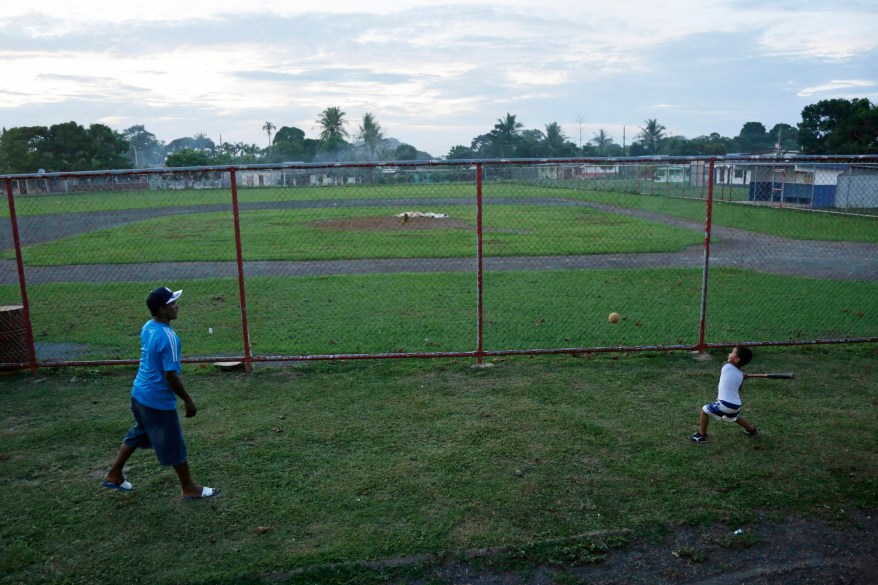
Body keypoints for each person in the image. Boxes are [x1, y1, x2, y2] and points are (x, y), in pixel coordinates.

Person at [101, 286, 217, 499]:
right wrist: (188, 401)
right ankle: (189, 488)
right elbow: (170, 375)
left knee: (139, 433)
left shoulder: (148, 327)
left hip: (139, 395)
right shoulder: (169, 337)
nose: (177, 306)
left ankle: (114, 474)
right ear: (162, 309)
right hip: (156, 401)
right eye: (173, 304)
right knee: (174, 444)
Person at [690, 345, 759, 443]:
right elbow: (738, 389)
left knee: (704, 411)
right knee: (733, 417)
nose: (729, 354)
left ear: (737, 359)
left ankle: (702, 436)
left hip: (726, 404)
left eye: (732, 353)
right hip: (735, 404)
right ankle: (752, 431)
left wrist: (742, 376)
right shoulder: (739, 375)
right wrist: (743, 378)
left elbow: (726, 363)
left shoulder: (727, 366)